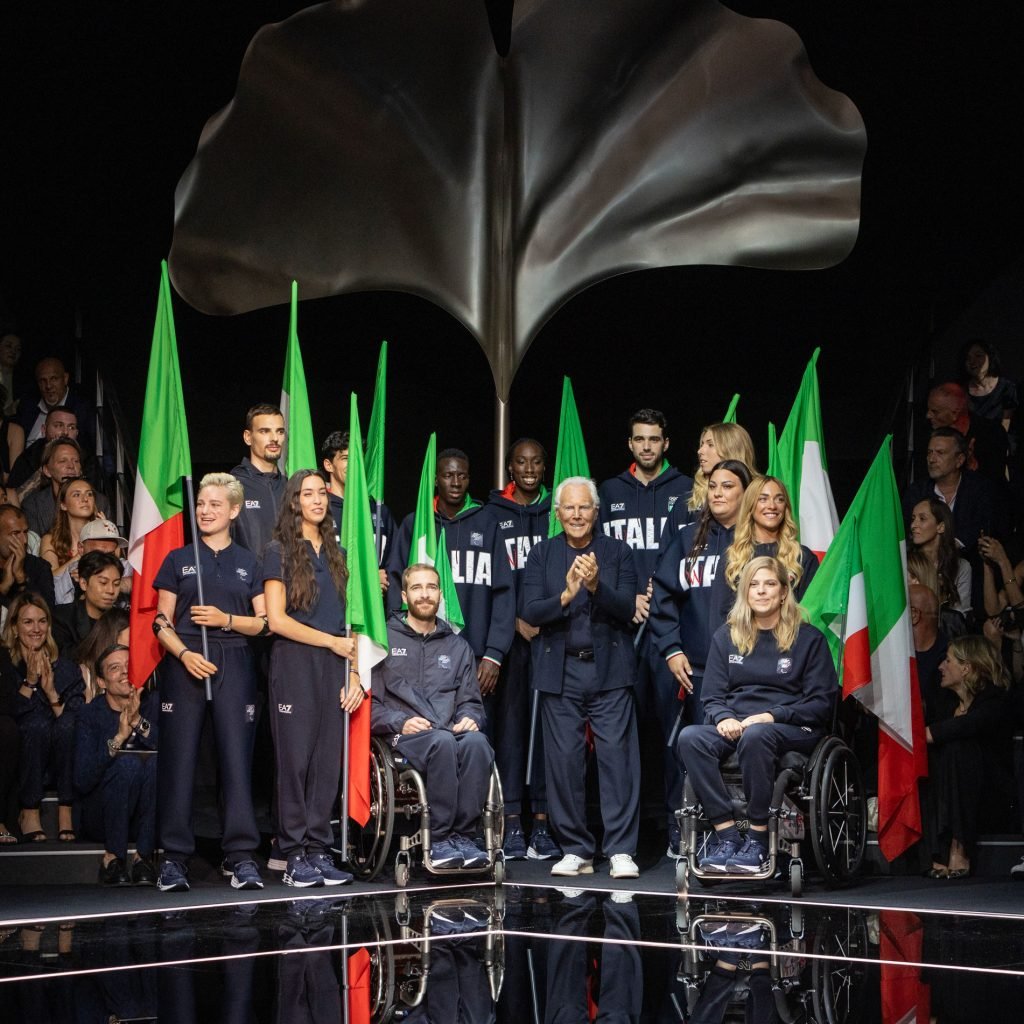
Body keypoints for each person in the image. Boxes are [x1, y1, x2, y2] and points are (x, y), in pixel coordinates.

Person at [677, 556, 836, 872]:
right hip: (738, 724)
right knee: (690, 737)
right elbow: (712, 696)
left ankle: (759, 839)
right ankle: (727, 837)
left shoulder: (809, 639)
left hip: (791, 727)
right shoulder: (727, 636)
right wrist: (724, 717)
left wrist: (772, 715)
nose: (761, 591)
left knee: (757, 734)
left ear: (783, 592)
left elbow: (822, 703)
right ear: (744, 592)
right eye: (754, 585)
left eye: (770, 584)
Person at [151, 473, 269, 892]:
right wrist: (183, 653)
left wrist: (226, 620)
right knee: (179, 761)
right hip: (186, 660)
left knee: (236, 760)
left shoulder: (249, 562)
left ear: (234, 511)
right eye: (201, 503)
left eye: (215, 504)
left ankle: (240, 857)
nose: (205, 510)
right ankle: (173, 859)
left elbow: (264, 622)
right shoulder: (178, 559)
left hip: (235, 658)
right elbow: (160, 621)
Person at [522, 476, 641, 880]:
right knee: (563, 763)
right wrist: (567, 595)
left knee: (617, 762)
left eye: (583, 507)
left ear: (595, 512)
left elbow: (628, 608)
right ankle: (576, 849)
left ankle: (621, 850)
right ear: (558, 514)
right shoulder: (542, 555)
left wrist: (595, 585)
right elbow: (530, 611)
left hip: (609, 671)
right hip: (561, 671)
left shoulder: (618, 552)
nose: (576, 514)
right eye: (568, 508)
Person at [599, 409, 693, 855]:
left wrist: (661, 595)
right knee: (620, 734)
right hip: (621, 629)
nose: (648, 446)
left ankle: (679, 824)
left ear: (666, 443)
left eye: (655, 439)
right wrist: (629, 597)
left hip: (669, 631)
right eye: (640, 439)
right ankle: (623, 834)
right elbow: (598, 556)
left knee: (675, 732)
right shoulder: (609, 492)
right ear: (630, 444)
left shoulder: (688, 490)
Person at [263, 469, 363, 888]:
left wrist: (355, 670)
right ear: (293, 502)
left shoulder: (338, 553)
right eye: (308, 494)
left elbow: (355, 620)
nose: (318, 500)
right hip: (295, 663)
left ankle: (319, 849)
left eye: (322, 493)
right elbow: (276, 619)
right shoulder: (279, 550)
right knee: (295, 761)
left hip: (336, 666)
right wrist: (331, 643)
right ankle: (293, 853)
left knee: (326, 762)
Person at [371, 563, 493, 868]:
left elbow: (471, 702)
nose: (425, 595)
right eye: (417, 588)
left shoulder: (457, 646)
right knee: (443, 742)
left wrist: (469, 717)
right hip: (403, 738)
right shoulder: (383, 639)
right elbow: (368, 706)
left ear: (440, 594)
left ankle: (463, 837)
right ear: (404, 595)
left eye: (431, 588)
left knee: (477, 743)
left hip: (447, 733)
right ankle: (438, 839)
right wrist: (400, 721)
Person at [483, 437, 560, 861]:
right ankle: (512, 823)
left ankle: (545, 826)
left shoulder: (559, 511)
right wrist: (514, 620)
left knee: (550, 734)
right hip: (512, 641)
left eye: (536, 461)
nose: (528, 468)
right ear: (510, 468)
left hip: (553, 639)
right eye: (520, 462)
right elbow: (495, 579)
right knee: (510, 734)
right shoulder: (492, 514)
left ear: (544, 467)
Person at [387, 448, 515, 702]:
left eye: (462, 476)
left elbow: (504, 593)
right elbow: (395, 584)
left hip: (477, 657)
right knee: (425, 729)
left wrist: (494, 655)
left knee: (473, 731)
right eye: (448, 476)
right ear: (436, 479)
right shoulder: (416, 524)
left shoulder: (487, 523)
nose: (455, 483)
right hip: (420, 648)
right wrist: (398, 642)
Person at [650, 460, 753, 726]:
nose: (717, 493)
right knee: (699, 753)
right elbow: (662, 596)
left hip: (752, 673)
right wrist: (672, 649)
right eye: (713, 486)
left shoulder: (759, 542)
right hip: (697, 673)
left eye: (727, 486)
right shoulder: (687, 539)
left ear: (746, 493)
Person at [922, 635, 1013, 878]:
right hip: (949, 791)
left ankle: (959, 848)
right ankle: (938, 849)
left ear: (966, 667)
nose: (941, 666)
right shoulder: (944, 702)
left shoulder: (995, 700)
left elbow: (969, 725)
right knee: (934, 756)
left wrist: (929, 733)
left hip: (989, 795)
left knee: (959, 747)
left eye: (948, 661)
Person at [73, 644, 158, 885]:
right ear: (101, 682)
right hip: (103, 815)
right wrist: (118, 738)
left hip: (145, 816)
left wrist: (139, 722)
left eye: (128, 667)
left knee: (156, 764)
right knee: (127, 764)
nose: (123, 673)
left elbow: (169, 749)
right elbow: (82, 779)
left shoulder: (152, 704)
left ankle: (143, 858)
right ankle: (113, 858)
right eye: (114, 668)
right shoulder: (90, 714)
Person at [4, 592, 86, 842]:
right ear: (15, 628)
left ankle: (66, 809)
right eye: (28, 622)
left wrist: (51, 693)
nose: (36, 629)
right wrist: (29, 682)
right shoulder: (5, 665)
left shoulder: (64, 666)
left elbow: (76, 718)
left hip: (60, 755)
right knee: (35, 725)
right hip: (22, 756)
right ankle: (29, 810)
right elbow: (8, 715)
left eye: (42, 621)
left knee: (67, 724)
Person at [724, 475, 818, 601]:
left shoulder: (802, 557)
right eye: (763, 499)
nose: (772, 506)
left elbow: (810, 612)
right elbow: (720, 613)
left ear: (786, 507)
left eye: (779, 499)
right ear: (750, 506)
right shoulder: (733, 557)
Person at [320, 429, 395, 584]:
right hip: (332, 604)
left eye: (358, 458)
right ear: (329, 465)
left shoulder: (379, 510)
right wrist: (369, 581)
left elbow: (395, 564)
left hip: (376, 606)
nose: (354, 464)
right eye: (346, 458)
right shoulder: (319, 509)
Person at [21, 437, 109, 537]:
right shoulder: (33, 505)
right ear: (47, 470)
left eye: (76, 461)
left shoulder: (100, 502)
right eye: (63, 461)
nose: (71, 466)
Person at [231, 403, 287, 557]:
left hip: (293, 579)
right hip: (248, 580)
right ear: (248, 437)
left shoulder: (291, 487)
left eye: (280, 432)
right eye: (265, 431)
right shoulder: (231, 486)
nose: (274, 438)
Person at [925, 381, 1008, 486]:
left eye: (935, 412)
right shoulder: (930, 435)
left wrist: (972, 467)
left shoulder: (991, 433)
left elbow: (996, 479)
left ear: (955, 413)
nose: (928, 415)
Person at [678, 422, 757, 527]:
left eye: (710, 445)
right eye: (701, 445)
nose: (700, 451)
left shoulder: (760, 497)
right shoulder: (687, 502)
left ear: (731, 449)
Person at [909, 497, 972, 619]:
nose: (913, 525)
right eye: (913, 519)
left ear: (941, 527)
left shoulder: (961, 567)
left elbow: (959, 616)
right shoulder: (906, 563)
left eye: (922, 519)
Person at [15, 356, 95, 451]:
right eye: (42, 381)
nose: (48, 386)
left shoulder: (83, 409)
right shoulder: (28, 406)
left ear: (65, 379)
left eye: (54, 379)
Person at [51, 551, 122, 658]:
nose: (111, 590)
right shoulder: (62, 618)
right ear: (83, 583)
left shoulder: (122, 620)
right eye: (103, 583)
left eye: (116, 584)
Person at [53, 517, 132, 607]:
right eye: (99, 554)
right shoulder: (73, 572)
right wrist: (72, 583)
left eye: (111, 554)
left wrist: (117, 583)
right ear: (81, 549)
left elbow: (148, 583)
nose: (106, 560)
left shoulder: (124, 566)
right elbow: (56, 603)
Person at [39, 477, 102, 576]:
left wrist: (105, 534)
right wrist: (80, 554)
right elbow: (51, 579)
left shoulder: (107, 537)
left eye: (89, 494)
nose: (85, 499)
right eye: (76, 495)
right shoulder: (50, 540)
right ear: (63, 505)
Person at [0, 504, 55, 611]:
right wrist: (4, 587)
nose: (24, 540)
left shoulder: (40, 567)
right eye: (15, 533)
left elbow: (47, 614)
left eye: (25, 532)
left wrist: (21, 578)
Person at [959, 339, 1018, 437]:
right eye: (968, 358)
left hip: (998, 443)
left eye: (978, 356)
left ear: (990, 358)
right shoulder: (961, 390)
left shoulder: (1007, 388)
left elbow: (1006, 423)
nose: (972, 361)